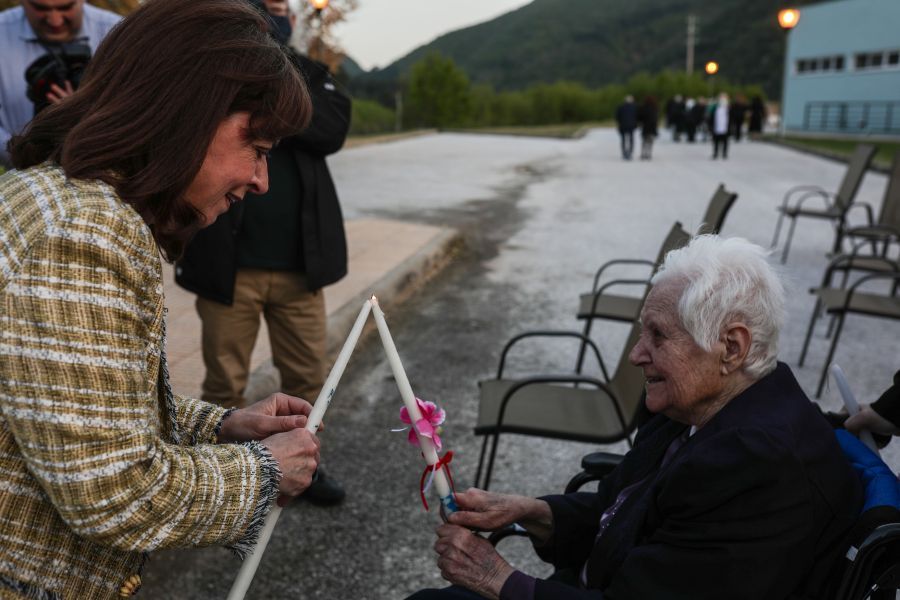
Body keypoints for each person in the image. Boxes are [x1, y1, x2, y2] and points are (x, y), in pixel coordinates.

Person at [0, 0, 326, 597]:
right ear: (188, 116)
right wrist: (265, 469)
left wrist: (224, 427)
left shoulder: (64, 200)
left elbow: (88, 409)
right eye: (256, 147)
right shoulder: (84, 234)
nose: (261, 180)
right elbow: (112, 493)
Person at [408, 235, 862, 600]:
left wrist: (497, 578)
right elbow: (618, 507)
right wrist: (532, 512)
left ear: (731, 347)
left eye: (658, 335)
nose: (635, 355)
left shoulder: (755, 465)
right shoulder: (699, 405)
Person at [175, 0, 351, 506]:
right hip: (228, 268)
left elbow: (332, 129)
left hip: (300, 268)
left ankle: (304, 469)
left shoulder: (315, 74)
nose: (274, 15)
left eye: (279, 7)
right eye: (263, 6)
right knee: (226, 380)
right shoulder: (215, 72)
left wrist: (268, 97)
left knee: (309, 377)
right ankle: (223, 481)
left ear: (291, 21)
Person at [0, 0, 121, 167]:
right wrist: (22, 153)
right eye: (41, 8)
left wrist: (87, 117)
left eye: (65, 7)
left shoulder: (117, 33)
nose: (55, 21)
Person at [614, 95, 637, 160]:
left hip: (622, 126)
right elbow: (637, 117)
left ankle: (624, 152)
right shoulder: (634, 107)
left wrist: (619, 123)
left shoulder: (620, 107)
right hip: (631, 126)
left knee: (623, 139)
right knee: (631, 139)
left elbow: (617, 117)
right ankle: (630, 152)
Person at [710, 92, 730, 159]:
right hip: (716, 126)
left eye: (724, 97)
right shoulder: (715, 107)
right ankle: (715, 153)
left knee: (725, 141)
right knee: (716, 141)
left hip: (725, 127)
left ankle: (724, 154)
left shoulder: (728, 107)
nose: (722, 99)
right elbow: (711, 117)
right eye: (721, 97)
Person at [637, 95, 658, 160]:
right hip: (652, 127)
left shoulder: (643, 107)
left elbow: (639, 117)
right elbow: (656, 118)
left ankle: (643, 153)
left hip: (645, 126)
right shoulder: (655, 107)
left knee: (644, 141)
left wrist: (640, 123)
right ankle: (648, 154)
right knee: (650, 141)